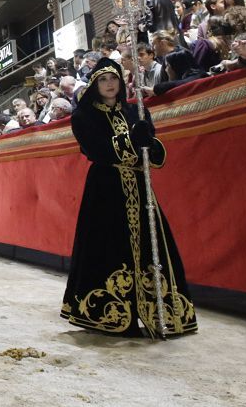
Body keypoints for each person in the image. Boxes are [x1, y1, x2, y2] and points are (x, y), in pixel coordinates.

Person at [60, 58, 196, 338]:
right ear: (95, 85)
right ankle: (110, 313)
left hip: (139, 185)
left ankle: (159, 313)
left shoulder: (137, 111)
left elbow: (154, 157)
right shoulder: (83, 116)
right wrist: (131, 141)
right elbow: (96, 150)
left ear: (121, 83)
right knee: (108, 244)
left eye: (114, 79)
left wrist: (147, 139)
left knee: (151, 243)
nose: (109, 84)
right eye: (103, 80)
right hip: (106, 189)